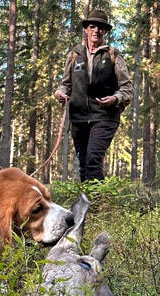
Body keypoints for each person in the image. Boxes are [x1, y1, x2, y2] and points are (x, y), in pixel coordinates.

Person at [54, 9, 133, 182]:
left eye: (100, 27)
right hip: (79, 118)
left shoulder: (113, 55)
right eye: (92, 26)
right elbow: (66, 83)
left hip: (105, 117)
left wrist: (115, 98)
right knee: (83, 163)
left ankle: (98, 205)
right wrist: (60, 92)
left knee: (93, 160)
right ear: (86, 29)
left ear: (105, 31)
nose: (96, 30)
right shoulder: (75, 55)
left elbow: (127, 88)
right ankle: (87, 205)